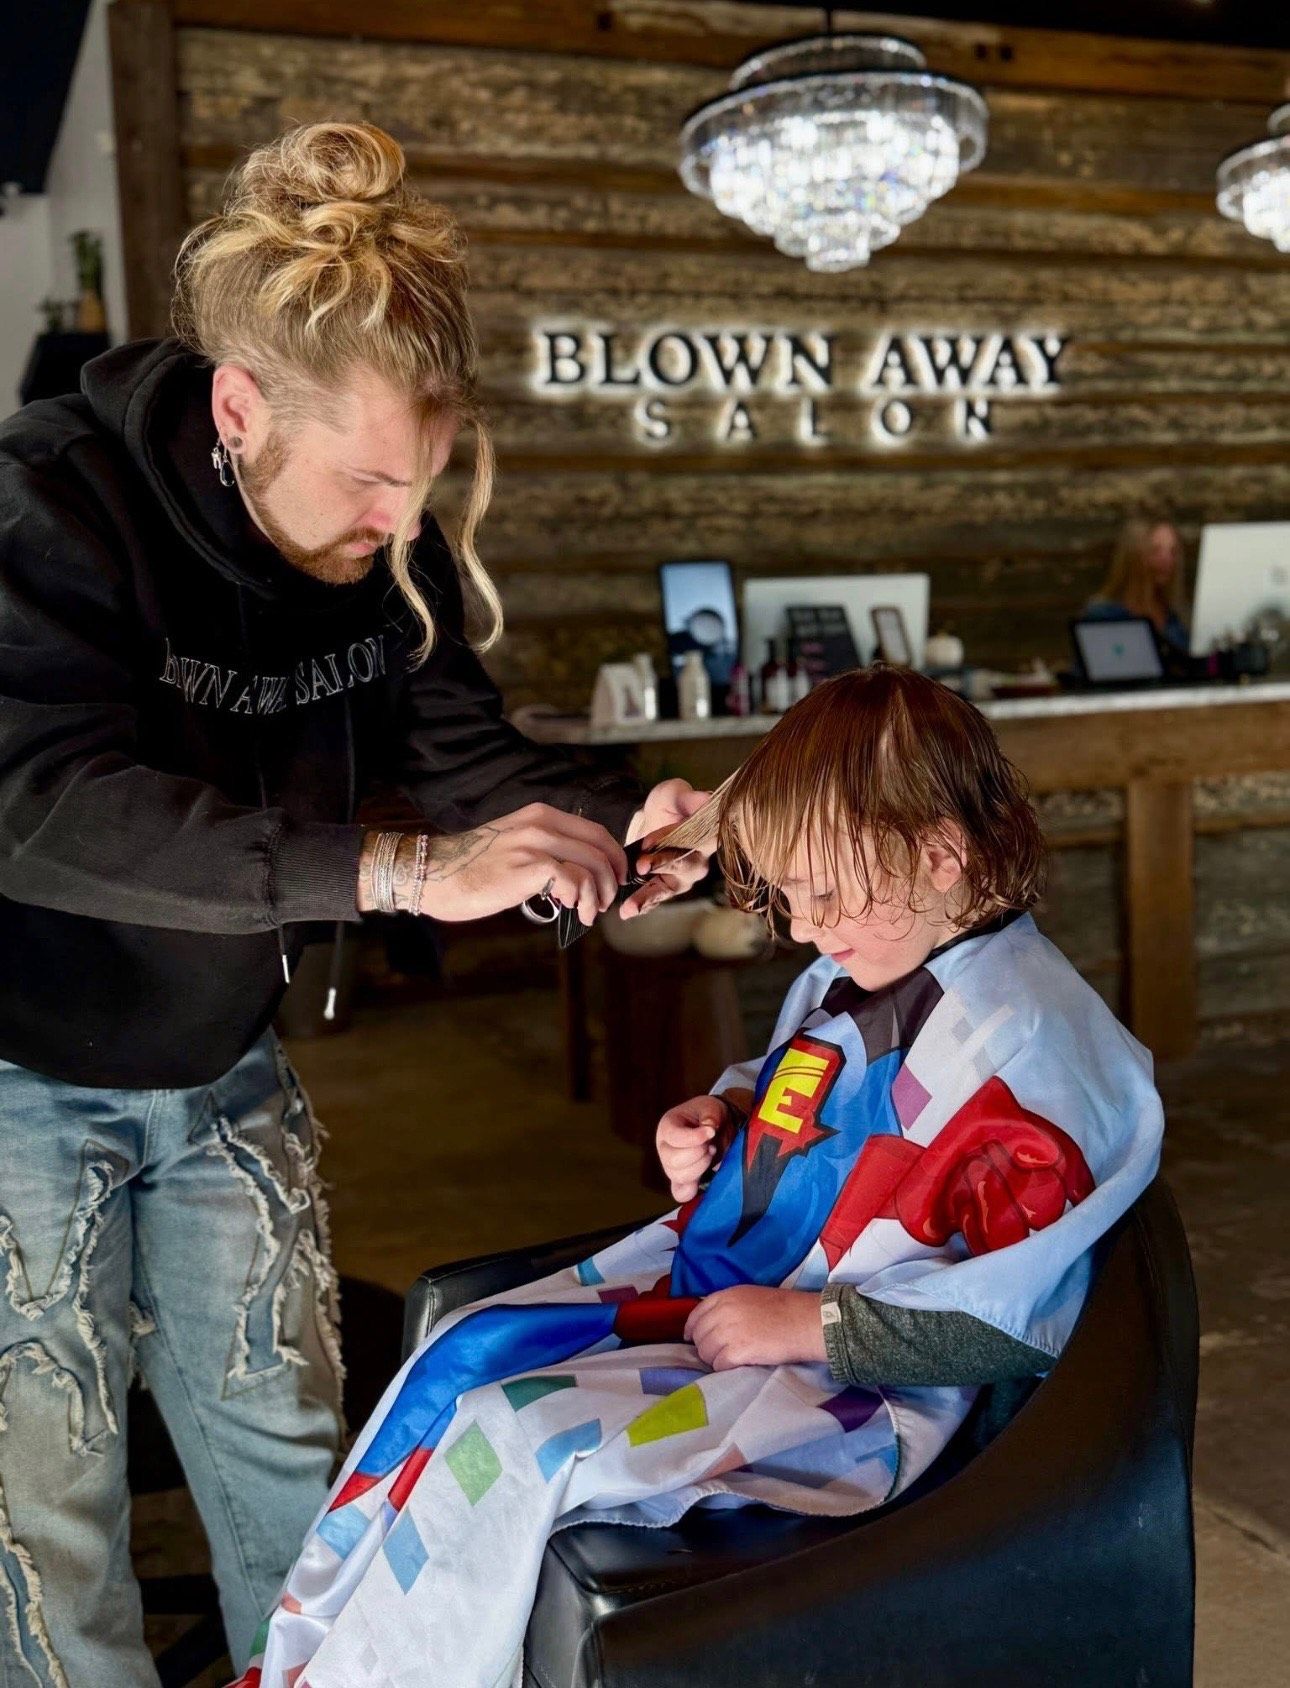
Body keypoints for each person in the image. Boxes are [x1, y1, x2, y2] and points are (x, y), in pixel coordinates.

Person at [0, 121, 707, 1687]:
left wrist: (622, 810)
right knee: (42, 1503)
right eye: (372, 481)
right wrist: (386, 872)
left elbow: (464, 758)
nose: (399, 525)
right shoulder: (55, 504)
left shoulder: (388, 553)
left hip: (221, 1059)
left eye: (425, 483)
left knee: (292, 1446)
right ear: (240, 408)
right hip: (23, 1066)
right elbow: (36, 802)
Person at [242, 667, 1163, 1688]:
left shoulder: (1030, 1048)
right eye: (790, 896)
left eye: (823, 894)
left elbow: (1011, 1318)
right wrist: (727, 1116)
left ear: (943, 853)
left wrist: (805, 1327)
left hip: (861, 1390)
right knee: (466, 1350)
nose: (805, 930)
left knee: (520, 1437)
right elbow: (829, 1093)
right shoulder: (879, 950)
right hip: (738, 1297)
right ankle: (299, 1664)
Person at [1083, 510, 1189, 654]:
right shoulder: (1104, 616)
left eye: (1173, 551)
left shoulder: (1177, 620)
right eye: (1155, 551)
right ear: (1134, 556)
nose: (1167, 560)